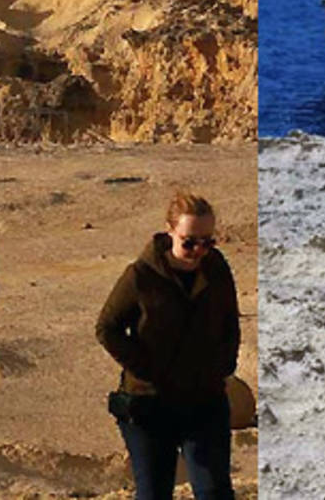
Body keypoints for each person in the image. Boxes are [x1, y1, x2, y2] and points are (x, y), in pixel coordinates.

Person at [95, 190, 239, 500]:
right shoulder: (140, 276)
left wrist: (224, 367)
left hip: (204, 400)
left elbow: (230, 322)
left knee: (215, 491)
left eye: (208, 241)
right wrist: (148, 368)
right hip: (150, 405)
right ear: (170, 230)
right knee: (154, 494)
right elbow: (107, 328)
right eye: (189, 241)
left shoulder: (217, 270)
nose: (199, 249)